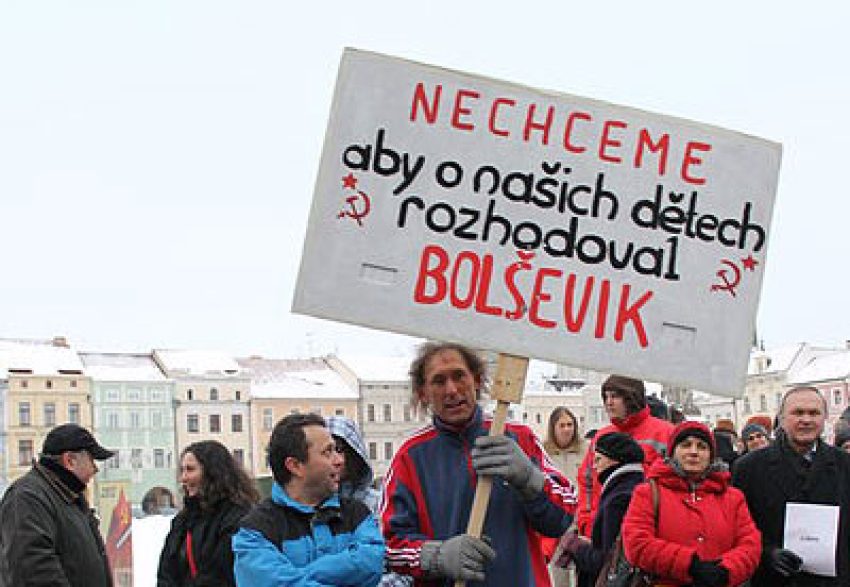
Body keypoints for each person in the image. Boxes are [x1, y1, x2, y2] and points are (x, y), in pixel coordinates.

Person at [381, 342, 576, 586]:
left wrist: (530, 479)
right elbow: (388, 546)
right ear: (423, 393)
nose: (451, 389)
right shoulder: (409, 457)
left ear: (476, 379)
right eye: (439, 381)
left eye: (459, 376)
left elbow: (565, 514)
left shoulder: (519, 437)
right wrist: (436, 556)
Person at [233, 413, 384, 586]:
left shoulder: (358, 514)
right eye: (328, 452)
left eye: (337, 450)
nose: (340, 460)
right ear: (295, 466)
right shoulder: (255, 530)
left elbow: (370, 564)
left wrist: (298, 575)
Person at [733, 386, 850, 586]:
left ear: (825, 419)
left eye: (814, 413)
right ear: (782, 418)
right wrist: (766, 552)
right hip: (775, 580)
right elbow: (737, 527)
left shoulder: (845, 465)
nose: (806, 419)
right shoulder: (749, 467)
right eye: (798, 413)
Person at [622, 421, 762, 587]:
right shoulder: (648, 493)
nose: (693, 452)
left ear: (711, 455)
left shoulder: (733, 497)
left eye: (702, 447)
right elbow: (637, 543)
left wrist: (725, 571)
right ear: (673, 451)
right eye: (686, 445)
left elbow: (750, 544)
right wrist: (689, 565)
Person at [0, 423, 115, 587]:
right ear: (70, 460)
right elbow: (35, 574)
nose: (95, 469)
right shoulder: (27, 497)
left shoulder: (68, 497)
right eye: (91, 460)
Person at [575, 375, 673, 537]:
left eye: (614, 396)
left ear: (631, 397)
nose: (608, 402)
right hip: (604, 527)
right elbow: (586, 480)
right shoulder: (601, 436)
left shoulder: (664, 433)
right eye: (606, 396)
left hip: (649, 529)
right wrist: (587, 521)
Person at [157, 440, 259, 586]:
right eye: (182, 470)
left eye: (190, 469)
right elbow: (166, 573)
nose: (183, 478)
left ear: (213, 472)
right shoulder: (182, 521)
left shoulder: (238, 517)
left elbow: (222, 573)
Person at [327, 415, 412, 587]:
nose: (335, 460)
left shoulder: (378, 504)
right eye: (326, 451)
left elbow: (402, 566)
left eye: (340, 449)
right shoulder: (308, 506)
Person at [555, 432, 645, 587]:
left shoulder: (618, 499)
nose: (594, 467)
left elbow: (607, 560)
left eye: (598, 459)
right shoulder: (640, 488)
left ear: (615, 460)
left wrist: (575, 546)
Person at [543, 406, 584, 587]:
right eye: (562, 425)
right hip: (556, 524)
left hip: (581, 523)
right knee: (558, 573)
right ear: (553, 428)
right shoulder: (544, 453)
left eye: (570, 425)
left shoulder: (587, 450)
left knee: (581, 571)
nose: (567, 429)